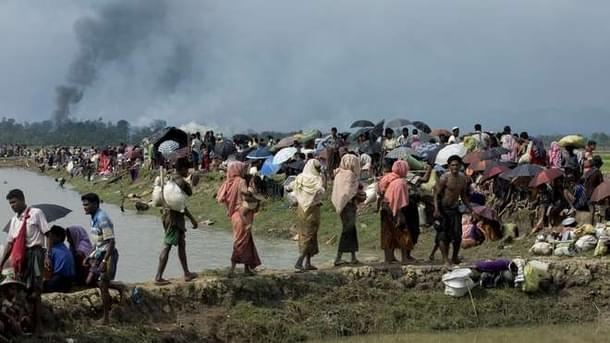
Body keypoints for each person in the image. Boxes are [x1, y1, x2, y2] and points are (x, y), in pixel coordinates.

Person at [0, 189, 51, 334]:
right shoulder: (15, 220)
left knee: (36, 288)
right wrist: (2, 262)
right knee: (22, 287)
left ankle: (39, 325)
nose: (12, 205)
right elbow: (10, 243)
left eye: (14, 202)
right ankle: (24, 319)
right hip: (22, 256)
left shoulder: (36, 213)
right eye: (10, 203)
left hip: (36, 254)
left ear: (22, 200)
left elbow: (48, 234)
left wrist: (47, 254)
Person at [155, 158, 198, 285]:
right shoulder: (181, 182)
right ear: (183, 169)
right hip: (174, 218)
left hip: (169, 215)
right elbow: (188, 196)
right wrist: (193, 181)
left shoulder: (170, 180)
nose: (188, 171)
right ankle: (158, 277)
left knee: (181, 244)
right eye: (187, 169)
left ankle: (186, 273)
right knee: (167, 245)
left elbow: (180, 204)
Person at [216, 161, 261, 276]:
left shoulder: (227, 183)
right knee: (240, 241)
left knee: (246, 240)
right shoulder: (240, 181)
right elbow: (246, 195)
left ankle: (246, 269)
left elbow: (221, 198)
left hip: (234, 215)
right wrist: (254, 193)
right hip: (243, 215)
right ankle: (231, 269)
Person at [82, 192, 119, 324]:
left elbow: (111, 242)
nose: (84, 207)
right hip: (99, 253)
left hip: (107, 255)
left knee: (103, 284)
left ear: (95, 204)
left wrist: (104, 261)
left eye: (87, 205)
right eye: (83, 205)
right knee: (96, 282)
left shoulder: (102, 218)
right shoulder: (94, 217)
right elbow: (98, 242)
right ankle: (115, 296)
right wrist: (89, 256)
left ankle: (106, 318)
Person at [433, 155, 473, 265]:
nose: (455, 167)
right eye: (452, 165)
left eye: (457, 165)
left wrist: (471, 209)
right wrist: (436, 209)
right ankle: (445, 259)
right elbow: (436, 194)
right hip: (443, 209)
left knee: (457, 235)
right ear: (449, 166)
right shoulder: (444, 178)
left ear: (460, 166)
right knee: (443, 235)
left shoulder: (463, 179)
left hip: (455, 209)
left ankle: (454, 257)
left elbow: (464, 196)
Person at [377, 160, 415, 264]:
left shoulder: (387, 178)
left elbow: (380, 191)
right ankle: (404, 258)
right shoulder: (400, 182)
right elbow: (399, 200)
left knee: (387, 233)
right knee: (403, 232)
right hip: (394, 209)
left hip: (385, 207)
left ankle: (388, 258)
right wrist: (400, 215)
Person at [331, 154, 366, 266]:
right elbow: (349, 192)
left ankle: (353, 257)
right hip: (348, 206)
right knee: (347, 231)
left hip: (342, 206)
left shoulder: (338, 174)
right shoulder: (349, 175)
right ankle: (338, 257)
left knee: (351, 230)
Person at [292, 159, 325, 272]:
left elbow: (294, 190)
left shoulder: (300, 177)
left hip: (302, 208)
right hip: (313, 209)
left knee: (304, 234)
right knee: (310, 235)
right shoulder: (317, 179)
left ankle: (308, 263)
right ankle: (300, 261)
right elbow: (321, 192)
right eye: (318, 168)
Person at [43, 226, 75, 293]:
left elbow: (48, 270)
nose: (49, 239)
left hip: (58, 280)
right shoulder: (65, 248)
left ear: (58, 237)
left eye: (51, 237)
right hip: (70, 282)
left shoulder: (52, 250)